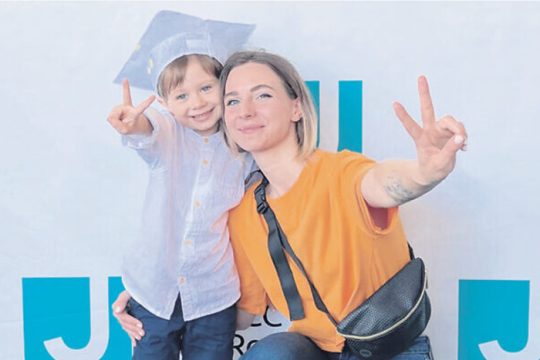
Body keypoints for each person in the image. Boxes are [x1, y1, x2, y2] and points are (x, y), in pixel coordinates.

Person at [220, 50, 467, 359]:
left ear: (296, 107)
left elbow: (383, 183)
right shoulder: (244, 212)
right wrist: (156, 312)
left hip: (385, 346)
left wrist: (424, 173)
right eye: (232, 101)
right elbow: (243, 316)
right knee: (273, 353)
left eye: (263, 95)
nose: (244, 111)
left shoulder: (341, 172)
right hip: (312, 351)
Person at [106, 11, 256, 360]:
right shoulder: (168, 133)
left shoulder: (243, 148)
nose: (198, 103)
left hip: (213, 295)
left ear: (224, 88)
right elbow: (148, 133)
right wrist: (134, 125)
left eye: (206, 88)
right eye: (182, 95)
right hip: (154, 293)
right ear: (164, 103)